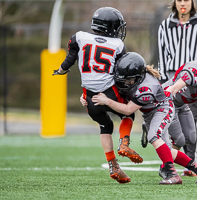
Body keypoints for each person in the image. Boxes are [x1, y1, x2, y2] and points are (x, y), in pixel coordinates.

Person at [87, 52, 197, 185]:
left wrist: (107, 101)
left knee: (154, 136)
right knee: (167, 150)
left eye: (128, 79)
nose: (124, 82)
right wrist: (88, 98)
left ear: (138, 77)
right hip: (148, 113)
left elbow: (128, 109)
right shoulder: (130, 79)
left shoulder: (147, 86)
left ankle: (172, 174)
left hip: (162, 108)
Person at [52, 7, 143, 184]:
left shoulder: (80, 37)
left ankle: (113, 164)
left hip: (89, 97)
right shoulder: (117, 45)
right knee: (128, 114)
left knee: (105, 125)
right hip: (109, 91)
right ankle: (124, 143)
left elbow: (69, 59)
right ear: (111, 26)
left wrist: (61, 70)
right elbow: (120, 72)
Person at [145, 0, 197, 176]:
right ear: (174, 3)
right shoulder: (165, 26)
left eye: (186, 0)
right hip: (171, 80)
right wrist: (161, 83)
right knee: (172, 127)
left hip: (195, 82)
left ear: (192, 2)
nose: (183, 3)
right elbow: (161, 56)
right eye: (179, 0)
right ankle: (172, 164)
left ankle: (190, 163)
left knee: (191, 127)